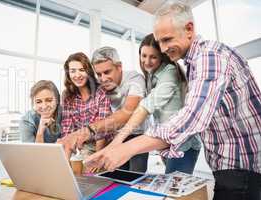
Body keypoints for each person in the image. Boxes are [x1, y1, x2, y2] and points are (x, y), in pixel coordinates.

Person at [85, 1, 261, 200]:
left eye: (167, 40)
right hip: (226, 165)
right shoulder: (192, 64)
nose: (163, 48)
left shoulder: (210, 57)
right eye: (160, 42)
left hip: (241, 166)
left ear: (189, 29)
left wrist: (125, 148)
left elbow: (190, 117)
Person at [94, 33, 201, 174]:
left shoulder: (170, 73)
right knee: (169, 186)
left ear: (162, 56)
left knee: (174, 190)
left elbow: (146, 106)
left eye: (153, 57)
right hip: (165, 142)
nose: (147, 61)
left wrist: (116, 142)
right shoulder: (151, 75)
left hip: (183, 143)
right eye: (143, 56)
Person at [58, 47, 148, 172]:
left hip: (136, 133)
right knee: (119, 176)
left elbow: (127, 112)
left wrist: (88, 131)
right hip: (115, 135)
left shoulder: (134, 79)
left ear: (119, 67)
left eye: (107, 72)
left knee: (135, 175)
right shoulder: (100, 87)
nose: (103, 78)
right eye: (99, 74)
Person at [61, 52, 111, 165]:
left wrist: (97, 159)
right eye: (73, 71)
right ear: (68, 74)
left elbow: (102, 130)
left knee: (94, 171)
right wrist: (65, 162)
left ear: (88, 71)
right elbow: (67, 130)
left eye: (81, 70)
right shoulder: (68, 97)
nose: (77, 75)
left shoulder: (100, 91)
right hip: (86, 147)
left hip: (105, 144)